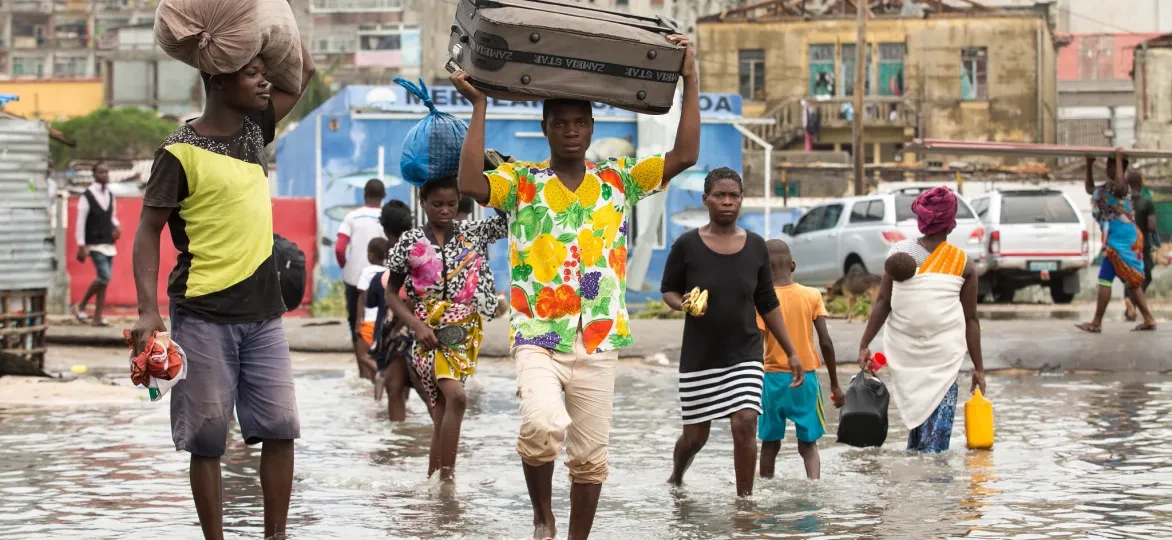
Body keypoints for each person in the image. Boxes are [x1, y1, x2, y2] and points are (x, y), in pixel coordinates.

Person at [452, 32, 699, 540]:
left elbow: (686, 154)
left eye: (579, 122)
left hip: (599, 336)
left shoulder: (619, 180)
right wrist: (479, 106)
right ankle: (543, 516)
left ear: (591, 128)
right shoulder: (522, 182)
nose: (570, 131)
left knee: (590, 458)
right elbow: (470, 185)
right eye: (560, 123)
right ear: (544, 129)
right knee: (543, 425)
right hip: (538, 333)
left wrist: (689, 78)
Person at [130, 44, 314, 540]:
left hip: (264, 316)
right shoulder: (177, 152)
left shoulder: (257, 131)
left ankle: (275, 535)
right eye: (251, 74)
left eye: (263, 74)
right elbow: (148, 231)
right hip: (202, 316)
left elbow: (303, 73)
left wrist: (271, 25)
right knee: (207, 438)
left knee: (281, 427)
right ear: (217, 82)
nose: (264, 83)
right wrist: (148, 311)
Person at [660, 168, 802, 497]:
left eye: (734, 195)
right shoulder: (687, 245)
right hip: (700, 356)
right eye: (720, 195)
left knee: (745, 421)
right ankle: (677, 476)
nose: (727, 202)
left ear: (741, 200)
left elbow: (767, 302)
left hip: (745, 352)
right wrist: (682, 304)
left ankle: (745, 503)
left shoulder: (755, 246)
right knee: (696, 437)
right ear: (705, 199)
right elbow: (668, 290)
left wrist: (792, 351)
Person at [385, 175, 508, 481]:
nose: (445, 210)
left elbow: (508, 221)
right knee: (457, 398)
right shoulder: (410, 242)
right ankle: (448, 480)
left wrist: (491, 180)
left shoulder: (472, 233)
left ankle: (435, 485)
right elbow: (391, 292)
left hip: (465, 333)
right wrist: (415, 325)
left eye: (452, 203)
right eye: (437, 204)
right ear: (422, 202)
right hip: (427, 333)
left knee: (441, 411)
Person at [857, 186, 986, 454]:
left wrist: (864, 343)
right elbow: (971, 320)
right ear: (951, 223)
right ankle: (932, 491)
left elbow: (883, 302)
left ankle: (916, 490)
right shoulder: (964, 263)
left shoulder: (899, 255)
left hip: (906, 358)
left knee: (917, 440)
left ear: (921, 219)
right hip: (944, 361)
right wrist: (979, 368)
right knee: (935, 450)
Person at [757, 239, 844, 481]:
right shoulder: (812, 295)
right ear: (793, 265)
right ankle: (814, 487)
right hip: (805, 379)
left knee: (769, 444)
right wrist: (835, 385)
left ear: (763, 269)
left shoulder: (761, 300)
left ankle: (764, 489)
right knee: (809, 446)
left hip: (772, 380)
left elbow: (755, 345)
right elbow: (825, 342)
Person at [1077, 158, 1157, 332]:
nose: (1109, 169)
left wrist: (1120, 160)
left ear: (1123, 168)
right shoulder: (1106, 188)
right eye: (1108, 166)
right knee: (1132, 283)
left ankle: (1096, 322)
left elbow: (1120, 187)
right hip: (1117, 238)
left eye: (1112, 166)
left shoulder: (1124, 188)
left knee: (1106, 279)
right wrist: (1089, 164)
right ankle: (1149, 319)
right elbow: (1090, 189)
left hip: (1123, 240)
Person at [337, 178, 388, 373]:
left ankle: (363, 368)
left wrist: (346, 267)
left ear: (364, 195)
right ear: (383, 196)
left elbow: (340, 248)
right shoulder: (387, 216)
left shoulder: (352, 217)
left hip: (355, 279)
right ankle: (383, 365)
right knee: (383, 317)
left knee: (356, 323)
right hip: (384, 277)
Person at [371, 199, 415, 420]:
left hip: (402, 323)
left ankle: (398, 439)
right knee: (407, 386)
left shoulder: (396, 251)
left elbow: (412, 292)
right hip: (419, 322)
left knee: (394, 387)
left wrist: (398, 326)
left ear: (385, 227)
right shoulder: (421, 243)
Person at [73, 162, 120, 327]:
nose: (105, 175)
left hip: (108, 242)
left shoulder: (111, 195)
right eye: (101, 172)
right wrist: (81, 245)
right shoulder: (87, 196)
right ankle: (81, 304)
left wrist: (116, 226)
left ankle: (97, 317)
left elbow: (112, 216)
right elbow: (81, 222)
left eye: (107, 172)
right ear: (94, 174)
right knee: (104, 276)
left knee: (104, 282)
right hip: (93, 243)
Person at [1125, 171, 1160, 321]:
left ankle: (1129, 304)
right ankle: (1132, 301)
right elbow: (1151, 226)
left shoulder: (1122, 203)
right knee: (1147, 276)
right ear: (1140, 184)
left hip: (1125, 245)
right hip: (1141, 246)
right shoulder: (1146, 203)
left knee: (1128, 276)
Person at [354, 237, 389, 378]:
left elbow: (362, 299)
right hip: (383, 322)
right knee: (379, 357)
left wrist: (358, 323)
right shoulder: (387, 272)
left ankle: (383, 375)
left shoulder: (367, 272)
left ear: (370, 255)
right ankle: (377, 393)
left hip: (368, 322)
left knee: (364, 357)